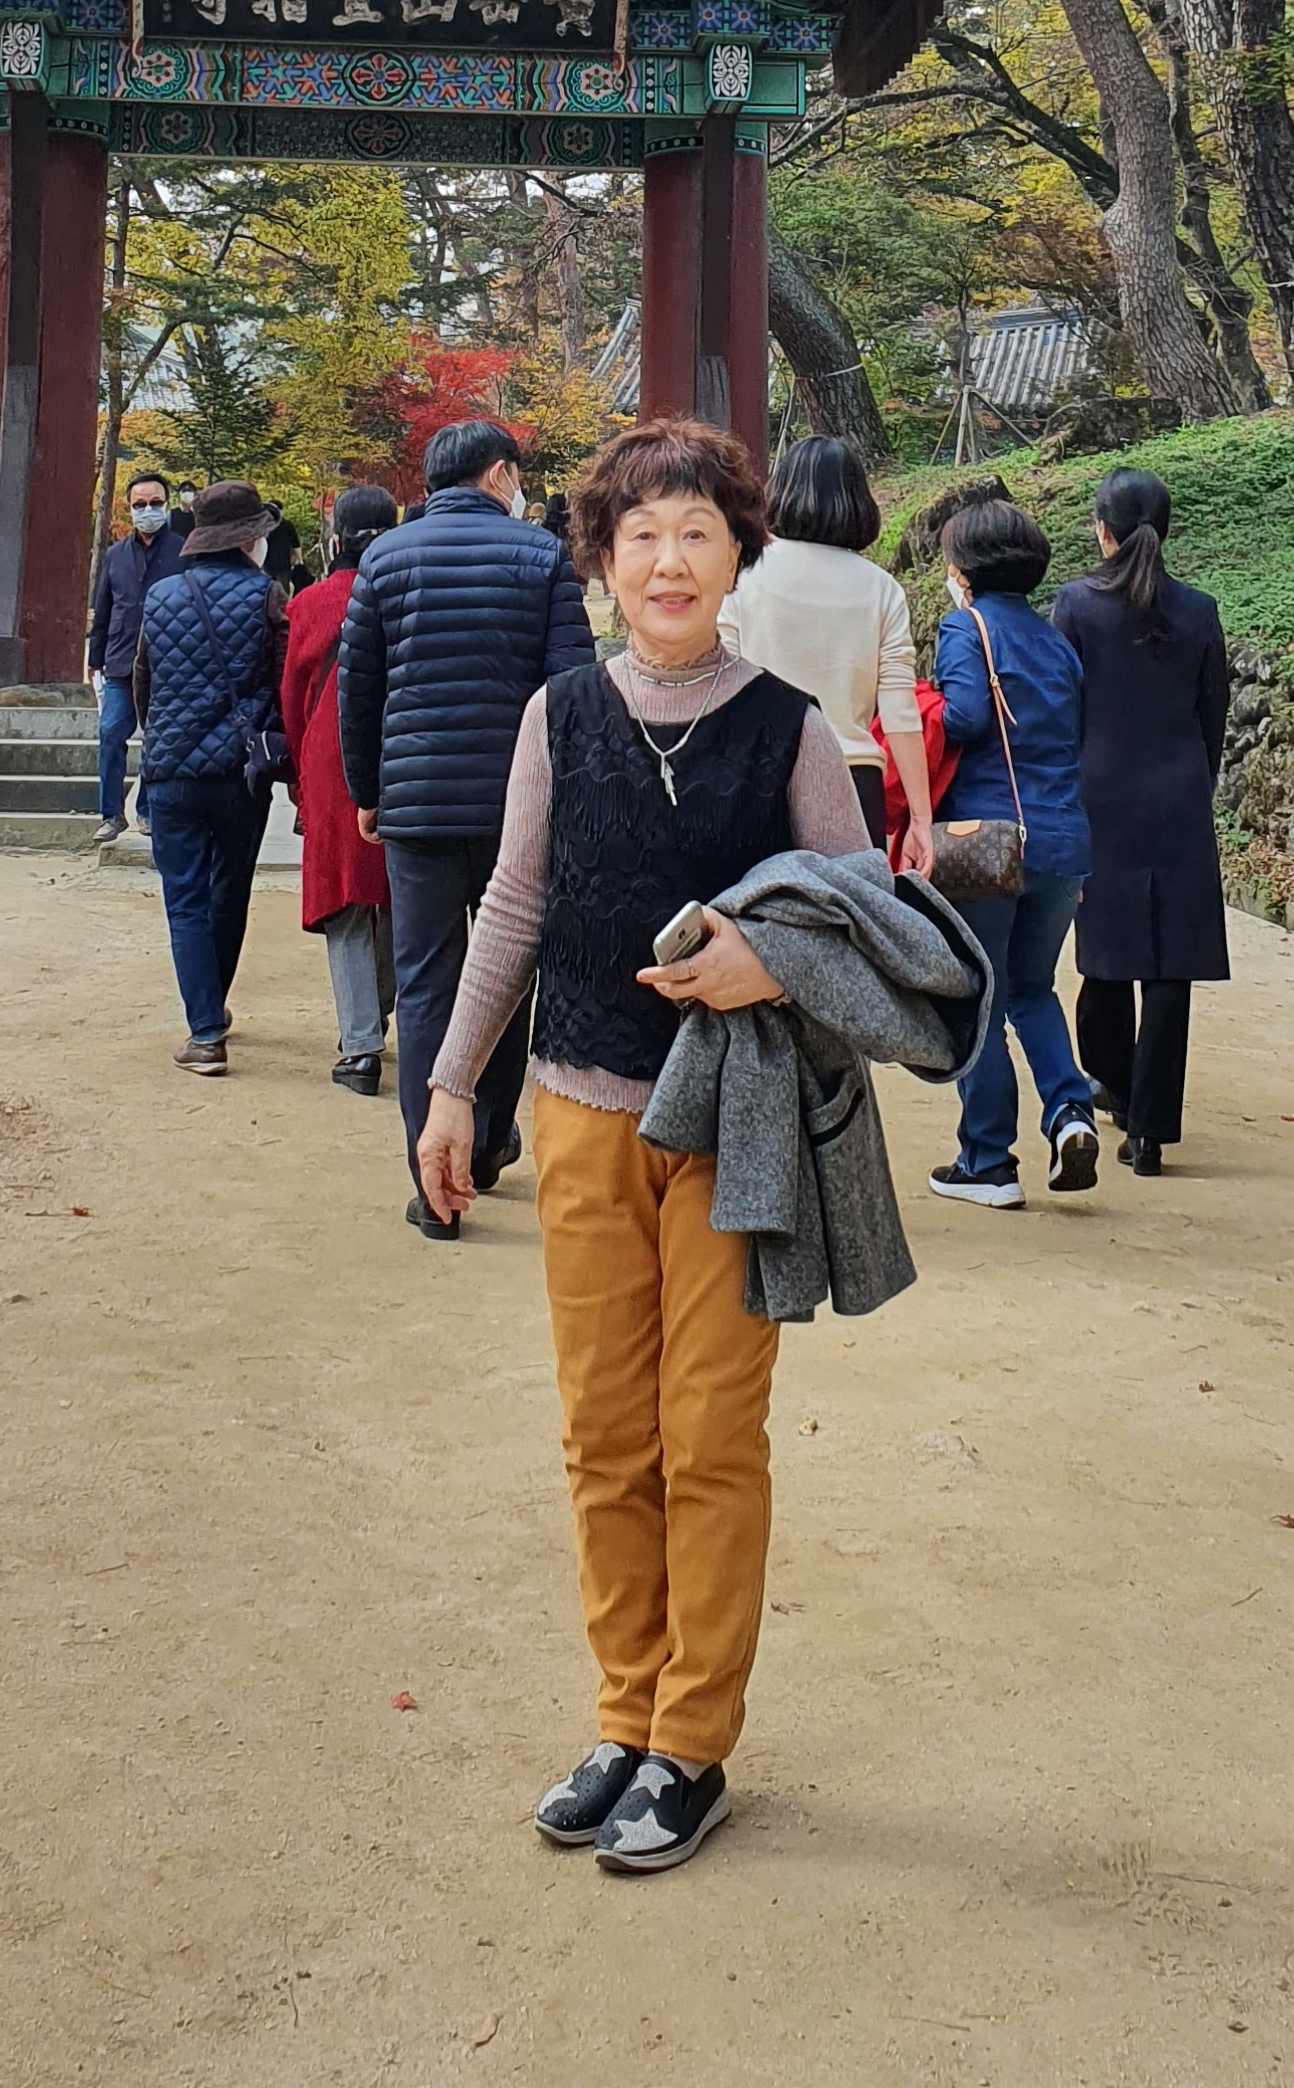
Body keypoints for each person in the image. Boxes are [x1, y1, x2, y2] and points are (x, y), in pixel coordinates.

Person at [417, 417, 875, 1873]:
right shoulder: (560, 713)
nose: (668, 561)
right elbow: (513, 904)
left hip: (737, 1126)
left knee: (710, 1436)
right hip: (579, 1113)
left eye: (696, 534)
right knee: (606, 1433)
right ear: (602, 563)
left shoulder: (790, 726)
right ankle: (623, 1715)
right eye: (641, 537)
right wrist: (450, 1085)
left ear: (739, 555)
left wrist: (768, 962)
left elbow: (867, 914)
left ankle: (692, 1742)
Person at [335, 417, 595, 1236]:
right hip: (519, 806)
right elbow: (574, 688)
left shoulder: (384, 558)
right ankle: (482, 1143)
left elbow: (358, 690)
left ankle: (431, 1180)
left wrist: (368, 789)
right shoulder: (542, 557)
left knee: (424, 982)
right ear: (498, 474)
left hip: (416, 805)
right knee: (508, 970)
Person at [1052, 466, 1230, 1176]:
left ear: (1104, 531)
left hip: (1099, 796)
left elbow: (1060, 708)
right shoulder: (1199, 610)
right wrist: (1196, 782)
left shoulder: (1077, 606)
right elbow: (1212, 714)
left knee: (1106, 957)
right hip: (1179, 796)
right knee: (1169, 969)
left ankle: (1118, 1090)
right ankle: (1151, 1132)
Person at [928, 495, 1099, 1207]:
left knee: (980, 996)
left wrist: (922, 705)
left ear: (963, 569)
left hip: (988, 844)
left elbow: (966, 715)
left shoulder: (965, 627)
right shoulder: (1057, 642)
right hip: (1063, 840)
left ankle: (988, 1160)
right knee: (1032, 988)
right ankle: (1070, 1114)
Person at [133, 477, 290, 1075]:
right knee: (230, 890)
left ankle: (204, 1029)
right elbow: (282, 682)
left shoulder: (161, 596)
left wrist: (162, 738)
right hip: (239, 774)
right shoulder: (268, 595)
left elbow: (142, 680)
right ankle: (211, 1007)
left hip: (170, 770)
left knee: (185, 898)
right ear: (249, 539)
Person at [721, 435, 932, 867]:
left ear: (780, 491)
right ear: (858, 499)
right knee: (853, 908)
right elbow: (900, 713)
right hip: (854, 781)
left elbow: (719, 686)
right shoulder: (882, 589)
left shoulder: (740, 576)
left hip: (757, 774)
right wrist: (920, 819)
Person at [281, 485, 398, 1091]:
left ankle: (360, 1045)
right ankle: (377, 1008)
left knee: (346, 899)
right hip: (404, 751)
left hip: (332, 757)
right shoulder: (409, 590)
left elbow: (292, 699)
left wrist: (299, 776)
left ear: (334, 540)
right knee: (401, 892)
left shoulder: (311, 604)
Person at [86, 469, 187, 844]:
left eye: (155, 503)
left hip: (169, 662)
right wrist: (94, 658)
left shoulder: (184, 551)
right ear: (129, 508)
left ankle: (147, 809)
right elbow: (103, 608)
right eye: (140, 504)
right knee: (111, 733)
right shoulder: (115, 555)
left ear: (167, 504)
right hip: (120, 660)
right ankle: (111, 814)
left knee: (158, 741)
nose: (148, 510)